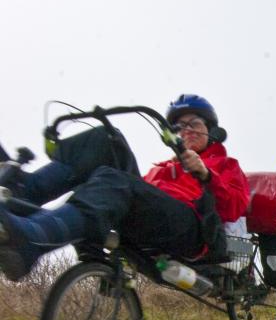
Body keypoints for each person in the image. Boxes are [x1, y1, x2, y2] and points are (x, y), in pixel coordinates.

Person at [0, 94, 250, 281]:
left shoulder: (225, 165)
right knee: (108, 140)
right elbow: (138, 193)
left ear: (212, 131)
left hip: (193, 229)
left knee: (114, 182)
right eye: (179, 127)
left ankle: (33, 239)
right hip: (152, 217)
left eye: (194, 124)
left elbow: (236, 206)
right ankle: (21, 194)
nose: (186, 131)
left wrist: (206, 174)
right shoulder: (161, 169)